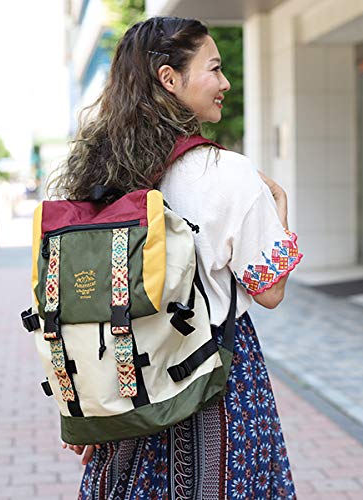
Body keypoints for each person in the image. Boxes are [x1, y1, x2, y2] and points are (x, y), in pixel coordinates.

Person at [52, 16, 303, 499]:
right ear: (170, 78)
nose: (225, 83)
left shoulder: (104, 174)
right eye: (214, 68)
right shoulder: (225, 172)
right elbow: (270, 291)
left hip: (130, 384)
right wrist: (281, 208)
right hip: (216, 384)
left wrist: (90, 403)